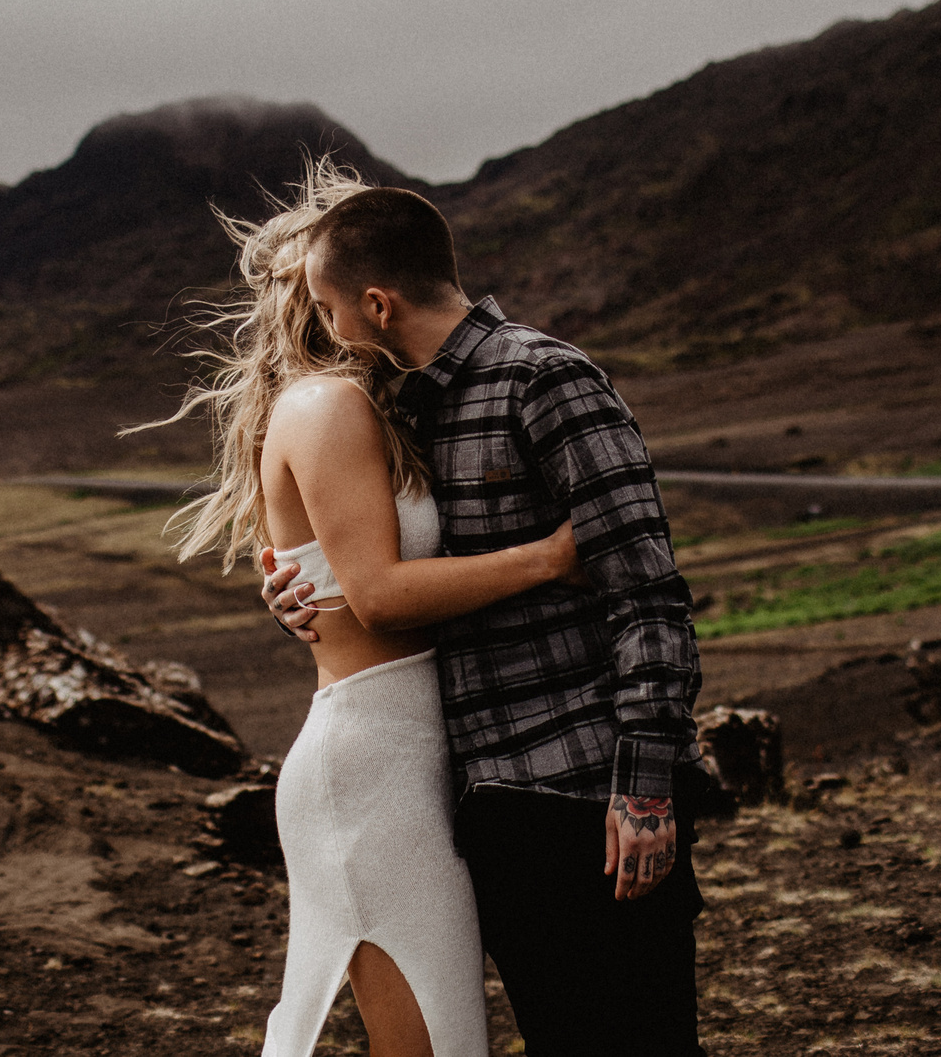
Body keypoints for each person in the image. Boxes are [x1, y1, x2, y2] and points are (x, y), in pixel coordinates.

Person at [143, 161, 589, 1057]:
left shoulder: (374, 411)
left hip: (411, 754)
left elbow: (347, 576)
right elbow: (378, 596)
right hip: (373, 768)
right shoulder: (329, 404)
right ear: (332, 300)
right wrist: (549, 556)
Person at [261, 182, 707, 1056]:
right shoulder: (413, 406)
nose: (320, 327)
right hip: (492, 802)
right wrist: (302, 590)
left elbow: (647, 588)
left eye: (326, 307)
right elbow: (382, 578)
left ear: (376, 304)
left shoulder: (546, 378)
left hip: (589, 789)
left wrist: (647, 786)